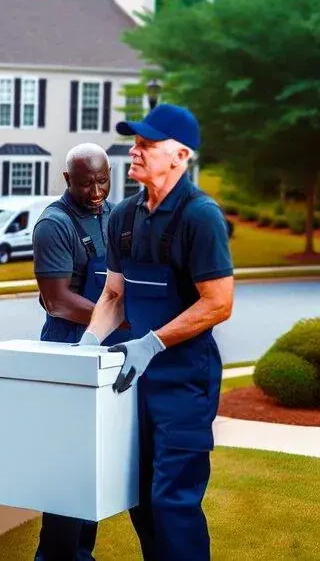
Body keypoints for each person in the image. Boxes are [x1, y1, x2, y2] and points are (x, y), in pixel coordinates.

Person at [77, 104, 234, 560]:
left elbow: (218, 302)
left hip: (184, 383)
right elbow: (112, 297)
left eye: (148, 144)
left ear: (181, 154)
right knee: (141, 499)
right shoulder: (122, 217)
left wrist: (152, 342)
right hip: (132, 382)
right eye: (135, 143)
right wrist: (88, 346)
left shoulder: (200, 216)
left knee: (172, 501)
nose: (135, 151)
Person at [32, 143, 131, 561]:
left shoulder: (113, 215)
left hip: (107, 350)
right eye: (86, 182)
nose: (96, 191)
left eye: (103, 180)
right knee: (68, 465)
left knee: (97, 463)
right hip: (68, 347)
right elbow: (57, 299)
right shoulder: (54, 225)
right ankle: (53, 555)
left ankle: (81, 554)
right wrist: (122, 320)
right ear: (67, 179)